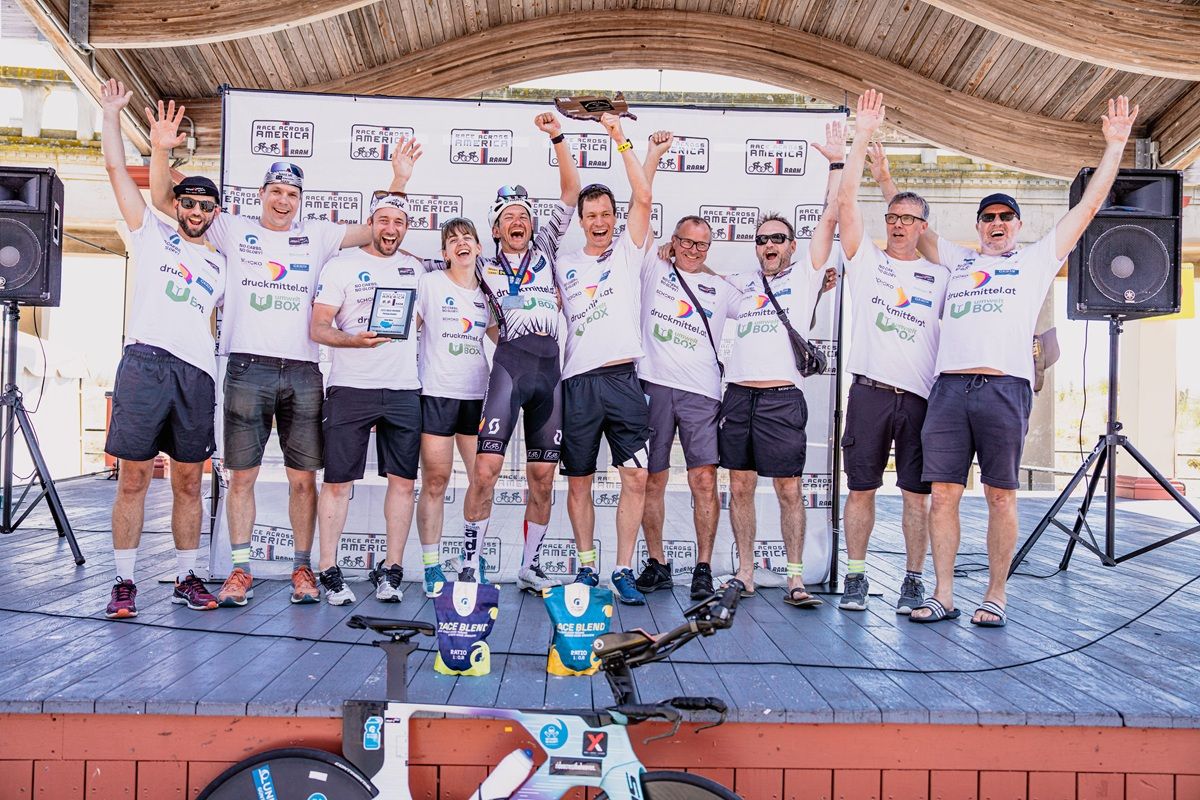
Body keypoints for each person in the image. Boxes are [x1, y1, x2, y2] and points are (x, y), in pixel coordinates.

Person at [148, 99, 415, 607]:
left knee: (303, 480)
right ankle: (241, 569)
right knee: (241, 477)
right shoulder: (232, 227)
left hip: (304, 371)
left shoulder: (318, 234)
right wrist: (161, 151)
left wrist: (398, 179)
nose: (283, 200)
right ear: (261, 194)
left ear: (300, 200)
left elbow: (378, 229)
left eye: (292, 194)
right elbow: (165, 198)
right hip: (246, 365)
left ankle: (302, 568)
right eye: (276, 191)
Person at [910, 96, 1140, 627]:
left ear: (1017, 225)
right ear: (978, 225)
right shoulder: (958, 259)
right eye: (988, 217)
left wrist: (1115, 146)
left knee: (1000, 496)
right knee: (942, 496)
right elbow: (911, 223)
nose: (996, 223)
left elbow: (1088, 209)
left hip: (1003, 389)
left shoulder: (1036, 260)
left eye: (1005, 217)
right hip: (949, 391)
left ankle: (995, 596)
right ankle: (944, 595)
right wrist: (878, 168)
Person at [98, 79, 226, 618]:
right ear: (176, 203)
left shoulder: (221, 262)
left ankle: (186, 576)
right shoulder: (149, 231)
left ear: (215, 212)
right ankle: (124, 582)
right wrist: (112, 116)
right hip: (145, 363)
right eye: (188, 201)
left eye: (205, 205)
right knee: (132, 477)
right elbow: (114, 170)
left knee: (189, 480)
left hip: (196, 373)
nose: (196, 210)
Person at [447, 112, 580, 590]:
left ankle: (529, 565)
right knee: (486, 470)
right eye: (508, 219)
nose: (518, 222)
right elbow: (448, 275)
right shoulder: (481, 265)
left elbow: (571, 192)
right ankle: (471, 561)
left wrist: (557, 137)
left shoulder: (545, 249)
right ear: (497, 230)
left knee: (542, 476)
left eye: (523, 216)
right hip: (509, 367)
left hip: (550, 372)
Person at [719, 121, 845, 606]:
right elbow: (693, 273)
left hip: (781, 398)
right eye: (761, 239)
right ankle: (746, 572)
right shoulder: (741, 281)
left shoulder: (807, 275)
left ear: (792, 245)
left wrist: (835, 164)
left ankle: (795, 577)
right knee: (741, 486)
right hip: (738, 397)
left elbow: (829, 219)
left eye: (778, 238)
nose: (769, 245)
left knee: (790, 489)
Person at [835, 89, 948, 613]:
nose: (898, 223)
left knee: (916, 497)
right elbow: (846, 203)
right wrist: (860, 137)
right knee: (861, 490)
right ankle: (856, 577)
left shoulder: (941, 276)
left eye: (908, 218)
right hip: (870, 393)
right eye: (892, 216)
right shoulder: (867, 261)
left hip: (921, 399)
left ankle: (913, 580)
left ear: (922, 227)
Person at [553, 115, 657, 604]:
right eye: (591, 215)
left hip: (622, 381)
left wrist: (622, 140)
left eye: (606, 214)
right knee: (580, 481)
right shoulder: (563, 263)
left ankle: (622, 568)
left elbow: (645, 197)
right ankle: (587, 567)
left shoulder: (628, 253)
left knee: (636, 475)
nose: (599, 222)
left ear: (615, 217)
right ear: (580, 220)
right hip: (577, 384)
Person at [309, 191, 426, 604]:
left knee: (403, 482)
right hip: (350, 386)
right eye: (384, 220)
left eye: (399, 222)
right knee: (337, 483)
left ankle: (391, 570)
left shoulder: (415, 268)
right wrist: (354, 341)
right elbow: (318, 327)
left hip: (403, 388)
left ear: (406, 228)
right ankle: (328, 569)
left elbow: (427, 320)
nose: (391, 229)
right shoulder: (341, 265)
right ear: (371, 223)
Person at [635, 190, 741, 599]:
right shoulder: (653, 267)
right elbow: (641, 204)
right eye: (686, 242)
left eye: (702, 245)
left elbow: (762, 308)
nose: (693, 250)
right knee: (652, 479)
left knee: (704, 480)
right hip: (654, 385)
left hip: (702, 393)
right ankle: (657, 562)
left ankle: (703, 567)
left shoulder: (719, 287)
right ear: (673, 241)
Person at [413, 218, 494, 597]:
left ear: (478, 248)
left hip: (477, 396)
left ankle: (471, 560)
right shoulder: (430, 284)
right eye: (453, 240)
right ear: (444, 253)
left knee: (482, 480)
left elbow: (507, 339)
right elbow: (405, 331)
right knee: (435, 480)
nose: (461, 243)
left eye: (467, 238)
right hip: (437, 393)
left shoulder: (489, 292)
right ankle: (431, 566)